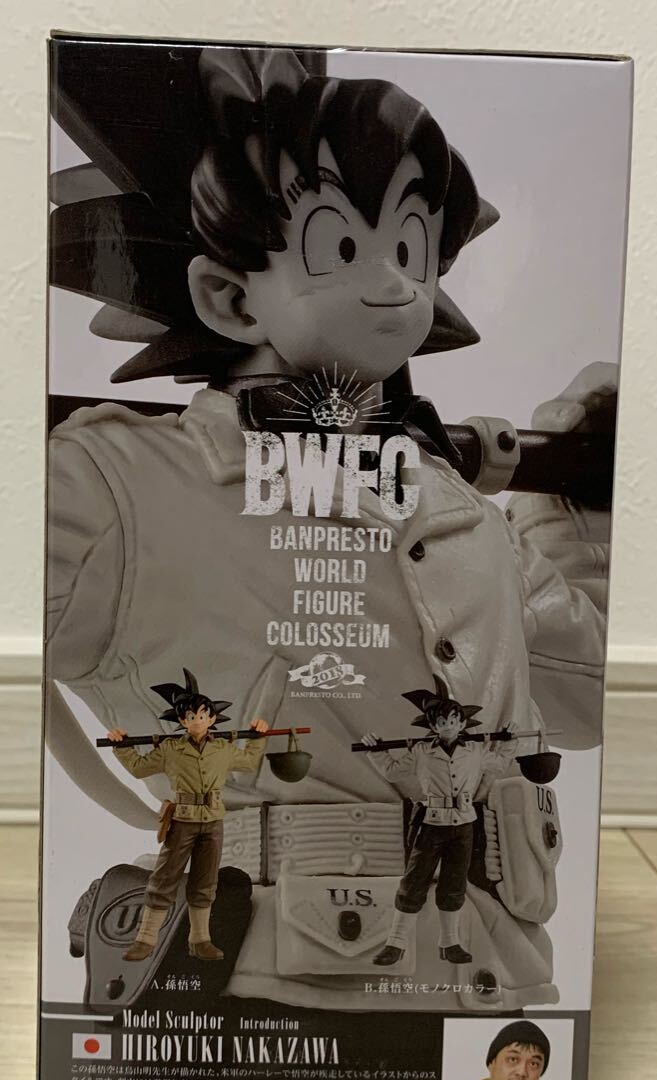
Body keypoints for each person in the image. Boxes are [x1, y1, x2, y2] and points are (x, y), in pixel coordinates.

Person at [46, 45, 614, 1009]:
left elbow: (582, 694)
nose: (395, 284)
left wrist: (569, 501)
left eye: (412, 247)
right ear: (228, 297)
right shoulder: (118, 488)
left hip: (487, 998)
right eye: (339, 248)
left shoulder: (454, 512)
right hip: (257, 1000)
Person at [106, 669, 267, 962]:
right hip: (182, 820)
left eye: (203, 715)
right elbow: (140, 768)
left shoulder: (223, 749)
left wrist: (258, 737)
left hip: (213, 821)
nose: (197, 721)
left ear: (212, 718)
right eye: (191, 716)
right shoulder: (171, 749)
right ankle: (145, 939)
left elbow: (248, 762)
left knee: (205, 881)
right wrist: (121, 746)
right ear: (182, 721)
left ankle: (200, 939)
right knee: (165, 877)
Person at [363, 676, 518, 965]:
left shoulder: (476, 751)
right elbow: (393, 771)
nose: (448, 726)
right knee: (414, 881)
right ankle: (396, 943)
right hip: (431, 824)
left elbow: (499, 765)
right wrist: (376, 751)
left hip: (464, 824)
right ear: (433, 726)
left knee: (454, 883)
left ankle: (450, 943)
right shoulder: (422, 752)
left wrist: (509, 741)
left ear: (462, 723)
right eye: (442, 722)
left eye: (453, 720)